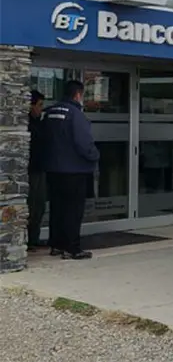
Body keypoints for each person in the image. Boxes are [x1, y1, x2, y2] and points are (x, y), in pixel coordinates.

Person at [41, 80, 100, 260]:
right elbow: (84, 144)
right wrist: (95, 155)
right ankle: (72, 248)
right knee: (73, 211)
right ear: (77, 95)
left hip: (53, 169)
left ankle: (56, 244)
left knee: (57, 208)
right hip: (74, 171)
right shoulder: (76, 115)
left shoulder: (49, 112)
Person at [27, 90, 46, 250]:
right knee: (31, 206)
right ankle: (28, 240)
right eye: (39, 105)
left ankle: (34, 238)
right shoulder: (27, 124)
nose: (41, 109)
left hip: (41, 168)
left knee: (39, 206)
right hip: (31, 170)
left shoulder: (40, 123)